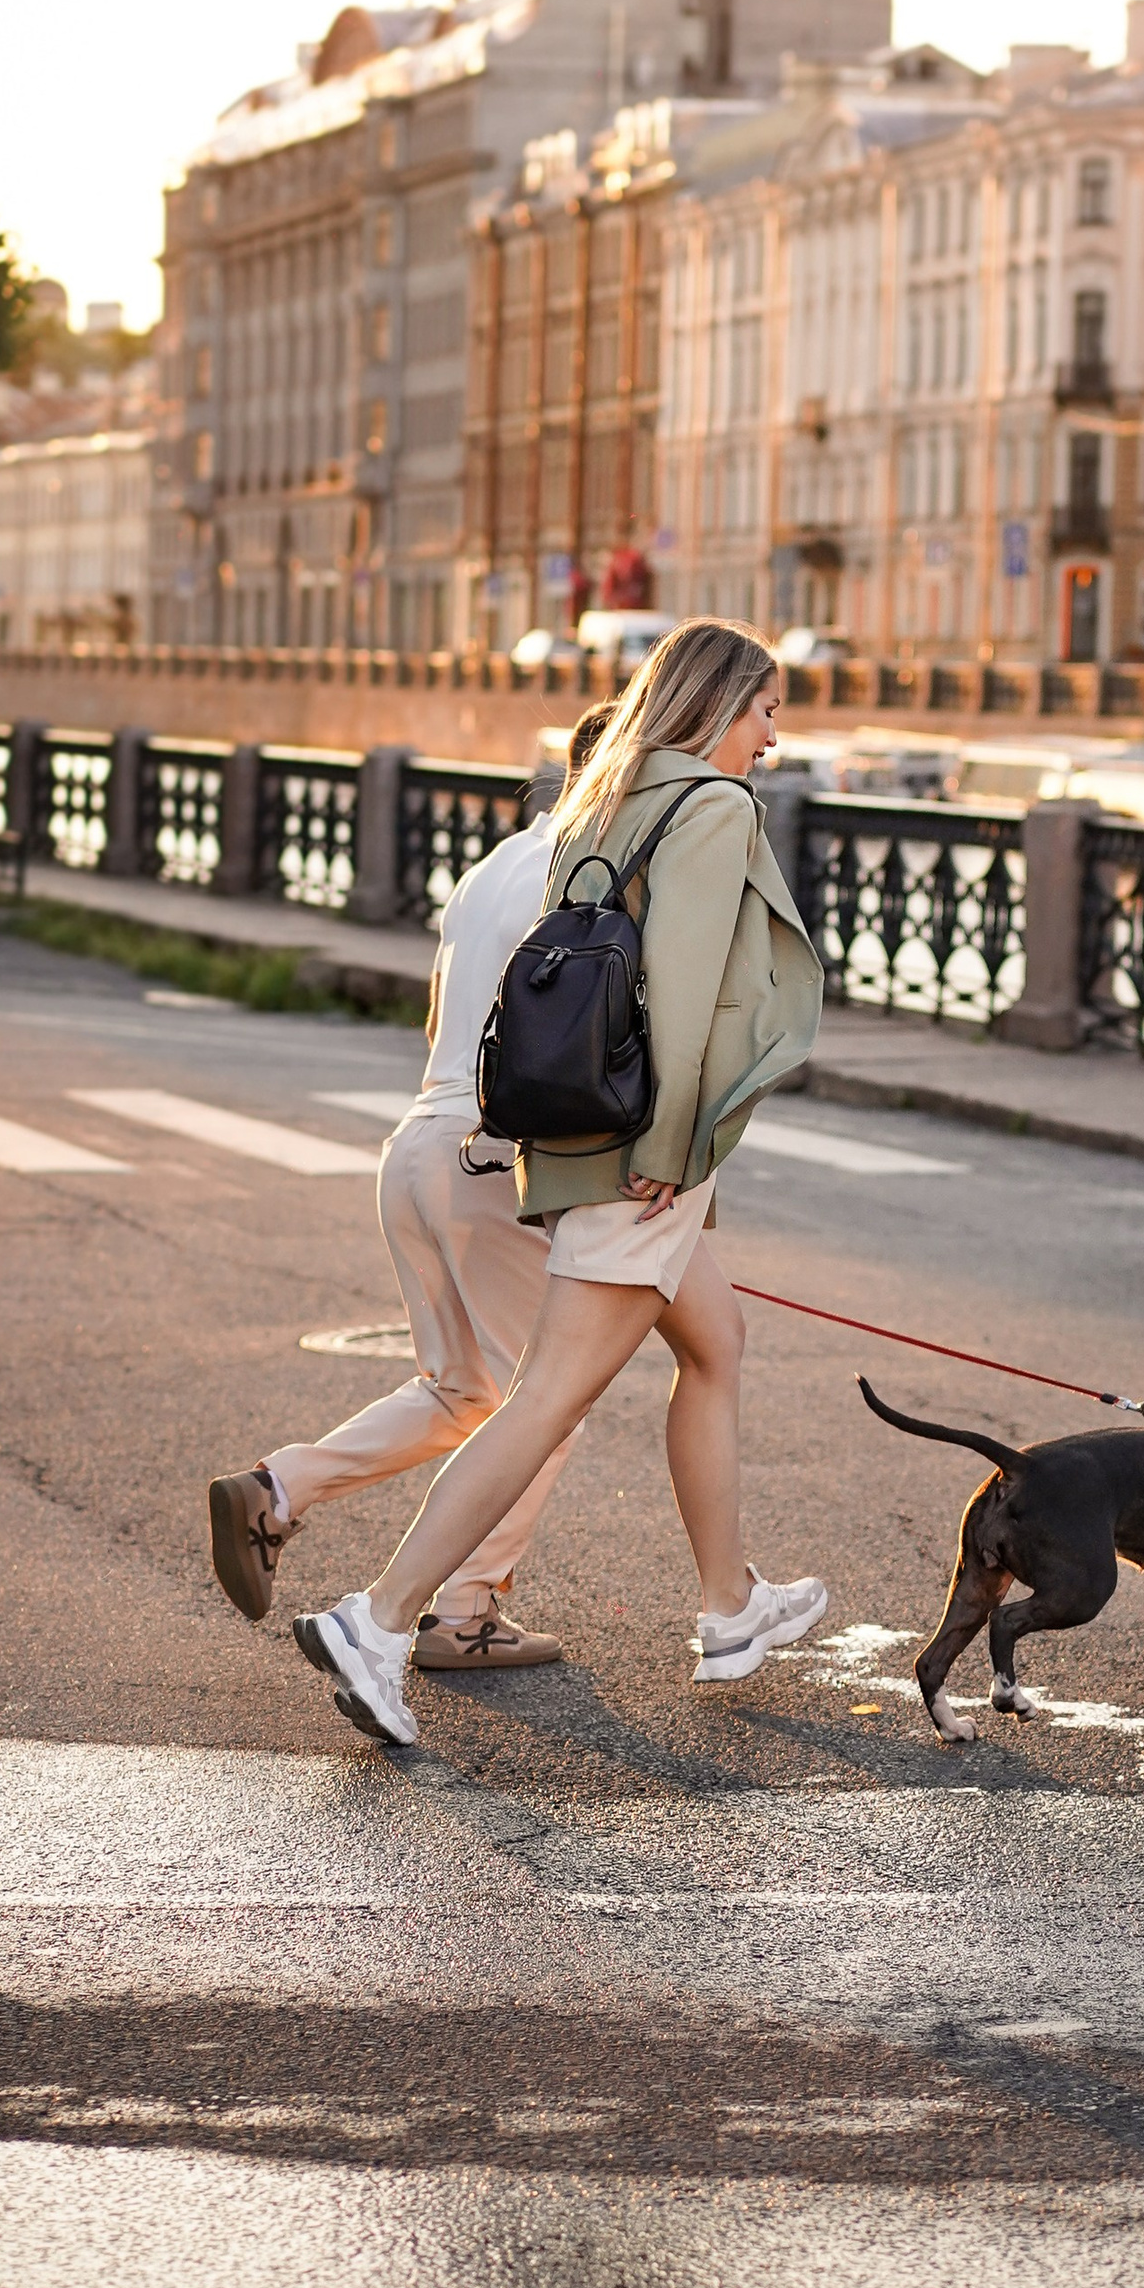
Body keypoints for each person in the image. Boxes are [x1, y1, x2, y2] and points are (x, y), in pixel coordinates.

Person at [294, 618, 827, 1748]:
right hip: (645, 1154)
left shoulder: (603, 803)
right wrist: (668, 1151)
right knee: (544, 1398)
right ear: (715, 704)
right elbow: (681, 993)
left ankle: (730, 1606)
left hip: (584, 1134)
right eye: (766, 709)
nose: (775, 736)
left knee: (716, 1343)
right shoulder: (711, 806)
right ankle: (378, 1621)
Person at [204, 703, 619, 1672]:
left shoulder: (498, 861)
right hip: (494, 1158)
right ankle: (465, 1609)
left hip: (419, 1145)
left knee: (462, 1389)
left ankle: (280, 1486)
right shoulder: (597, 874)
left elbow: (444, 1013)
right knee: (544, 1399)